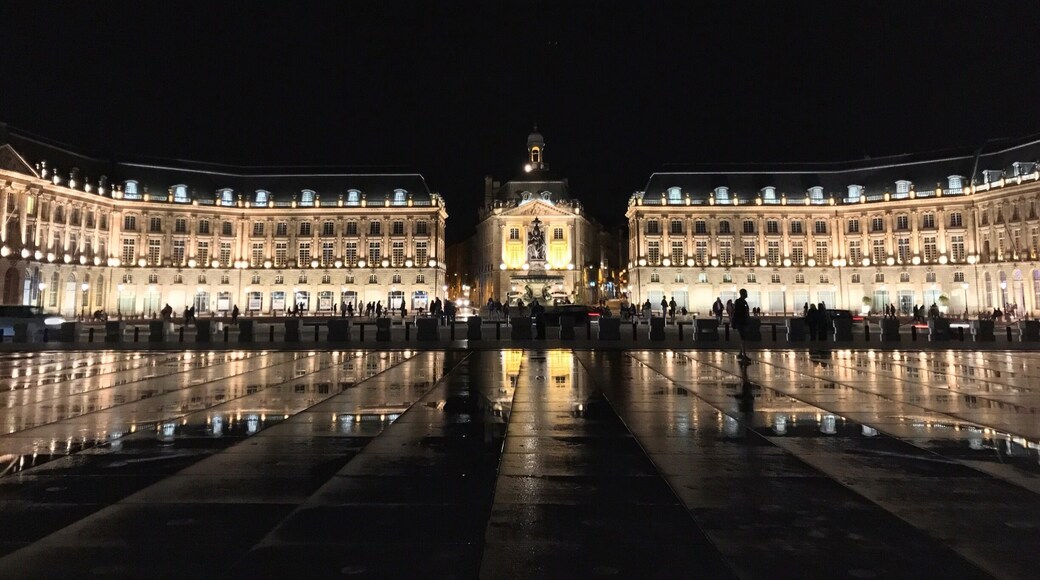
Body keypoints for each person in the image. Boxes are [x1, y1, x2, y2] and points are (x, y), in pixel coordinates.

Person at [731, 288, 751, 361]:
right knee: (743, 338)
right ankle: (744, 355)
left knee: (743, 337)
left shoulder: (743, 301)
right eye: (746, 293)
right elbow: (737, 313)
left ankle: (740, 353)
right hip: (740, 322)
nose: (747, 294)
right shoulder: (739, 302)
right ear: (742, 294)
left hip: (742, 321)